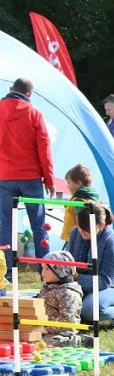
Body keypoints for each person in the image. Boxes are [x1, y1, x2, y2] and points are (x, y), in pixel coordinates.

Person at [0, 78, 54, 283]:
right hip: (30, 176)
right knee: (39, 225)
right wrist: (48, 179)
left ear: (11, 89)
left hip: (4, 176)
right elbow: (44, 149)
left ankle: (6, 272)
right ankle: (47, 271)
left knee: (5, 225)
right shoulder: (35, 114)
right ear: (29, 94)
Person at [67, 205, 114, 328]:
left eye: (85, 230)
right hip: (88, 284)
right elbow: (70, 263)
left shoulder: (111, 241)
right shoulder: (75, 233)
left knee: (89, 308)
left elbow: (104, 281)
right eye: (79, 227)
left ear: (101, 226)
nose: (81, 232)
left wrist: (76, 278)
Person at [37, 250, 90, 347]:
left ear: (60, 271)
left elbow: (66, 320)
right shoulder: (49, 287)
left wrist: (47, 329)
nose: (43, 272)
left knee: (46, 342)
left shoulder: (69, 293)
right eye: (42, 268)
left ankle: (79, 340)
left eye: (47, 269)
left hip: (63, 331)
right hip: (44, 327)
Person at [60, 165, 100, 242]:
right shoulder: (92, 199)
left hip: (76, 239)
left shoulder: (78, 201)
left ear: (78, 183)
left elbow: (81, 221)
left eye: (69, 183)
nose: (67, 187)